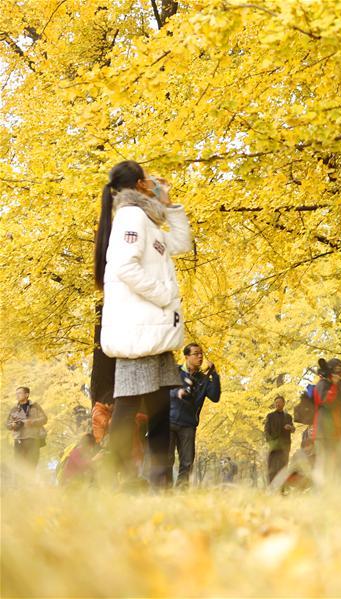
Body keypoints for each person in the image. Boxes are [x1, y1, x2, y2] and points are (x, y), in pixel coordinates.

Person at [94, 161, 193, 487]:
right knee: (128, 407)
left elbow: (181, 244)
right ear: (139, 184)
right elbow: (125, 266)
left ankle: (158, 483)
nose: (154, 183)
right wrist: (163, 295)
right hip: (141, 329)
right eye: (148, 179)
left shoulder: (145, 220)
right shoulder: (131, 217)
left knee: (159, 409)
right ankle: (111, 477)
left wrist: (170, 206)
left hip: (151, 331)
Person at [169, 343, 221, 487]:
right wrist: (177, 392)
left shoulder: (204, 379)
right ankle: (164, 491)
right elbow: (163, 391)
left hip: (188, 424)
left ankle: (181, 490)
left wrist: (215, 375)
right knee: (166, 460)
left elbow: (215, 396)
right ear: (186, 356)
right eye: (196, 353)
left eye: (201, 354)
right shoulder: (175, 372)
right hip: (169, 421)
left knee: (187, 461)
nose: (200, 356)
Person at [310, 358, 341, 481]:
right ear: (331, 370)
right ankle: (324, 494)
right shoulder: (322, 385)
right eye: (339, 369)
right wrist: (334, 385)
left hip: (338, 433)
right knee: (327, 465)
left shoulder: (337, 386)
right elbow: (325, 402)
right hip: (325, 434)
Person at [6, 386, 48, 471]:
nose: (17, 395)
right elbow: (7, 424)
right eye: (16, 394)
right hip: (19, 440)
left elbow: (44, 419)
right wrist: (13, 425)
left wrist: (32, 422)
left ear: (27, 394)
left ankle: (30, 483)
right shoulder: (14, 409)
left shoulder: (35, 406)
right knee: (19, 465)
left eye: (19, 393)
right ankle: (20, 484)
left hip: (33, 439)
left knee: (32, 464)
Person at [264, 396, 294, 485]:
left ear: (284, 403)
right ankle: (271, 487)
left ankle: (282, 488)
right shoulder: (270, 416)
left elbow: (293, 429)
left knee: (283, 467)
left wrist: (290, 427)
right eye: (276, 402)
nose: (277, 404)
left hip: (285, 446)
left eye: (279, 402)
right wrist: (270, 442)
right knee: (272, 467)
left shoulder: (288, 417)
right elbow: (266, 430)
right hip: (273, 446)